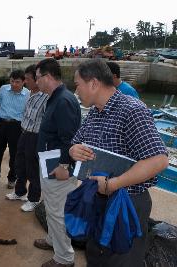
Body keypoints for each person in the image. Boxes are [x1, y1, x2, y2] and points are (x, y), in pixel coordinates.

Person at [70, 59, 168, 267]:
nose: (76, 90)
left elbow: (159, 160)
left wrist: (114, 184)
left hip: (127, 202)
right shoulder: (95, 111)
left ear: (93, 83)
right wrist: (73, 150)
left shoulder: (132, 110)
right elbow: (77, 141)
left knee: (122, 258)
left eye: (77, 84)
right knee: (97, 254)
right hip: (98, 199)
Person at [33, 58, 81, 267]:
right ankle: (53, 241)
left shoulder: (63, 101)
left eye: (37, 78)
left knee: (58, 212)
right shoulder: (54, 97)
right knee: (52, 209)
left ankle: (64, 258)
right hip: (48, 164)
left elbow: (70, 140)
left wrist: (63, 167)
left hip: (58, 169)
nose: (36, 83)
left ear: (48, 76)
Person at [6, 64, 48, 212]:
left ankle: (34, 198)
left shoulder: (45, 97)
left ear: (37, 79)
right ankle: (19, 191)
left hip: (36, 136)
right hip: (24, 132)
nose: (26, 81)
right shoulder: (29, 94)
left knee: (33, 168)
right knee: (19, 164)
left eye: (28, 79)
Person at [0, 70, 30, 188]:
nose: (14, 84)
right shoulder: (3, 89)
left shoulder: (28, 94)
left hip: (17, 126)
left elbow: (28, 113)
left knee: (15, 154)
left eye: (17, 82)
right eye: (12, 81)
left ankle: (12, 178)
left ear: (24, 82)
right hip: (1, 124)